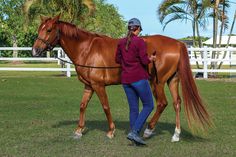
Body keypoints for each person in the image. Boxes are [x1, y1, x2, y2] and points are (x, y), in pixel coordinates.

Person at [115, 18, 156, 145]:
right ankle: (135, 132)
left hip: (126, 80)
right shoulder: (140, 42)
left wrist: (127, 64)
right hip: (138, 78)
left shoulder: (121, 42)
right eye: (139, 29)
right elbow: (144, 61)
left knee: (133, 109)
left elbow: (117, 59)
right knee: (149, 105)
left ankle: (134, 137)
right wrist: (151, 58)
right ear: (137, 28)